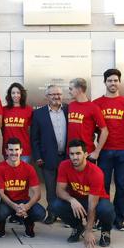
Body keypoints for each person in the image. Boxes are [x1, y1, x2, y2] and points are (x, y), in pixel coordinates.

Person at [49, 139, 115, 248]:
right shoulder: (64, 166)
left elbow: (92, 205)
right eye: (72, 154)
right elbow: (59, 191)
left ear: (85, 154)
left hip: (97, 201)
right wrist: (72, 200)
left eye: (78, 153)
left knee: (106, 209)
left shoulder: (96, 172)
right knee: (55, 205)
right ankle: (77, 227)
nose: (75, 157)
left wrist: (89, 231)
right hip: (77, 200)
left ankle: (105, 231)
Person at [92, 69, 124, 231]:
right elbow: (95, 127)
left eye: (115, 80)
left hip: (123, 150)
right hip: (104, 151)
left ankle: (119, 219)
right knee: (103, 186)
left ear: (119, 82)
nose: (113, 83)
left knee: (122, 186)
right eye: (109, 80)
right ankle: (103, 218)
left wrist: (122, 136)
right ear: (104, 82)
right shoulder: (97, 103)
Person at [31, 84, 68, 224]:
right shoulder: (38, 114)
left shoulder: (69, 111)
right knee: (51, 188)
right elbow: (34, 138)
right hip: (48, 158)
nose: (56, 97)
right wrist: (38, 157)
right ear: (47, 97)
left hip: (67, 158)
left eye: (58, 94)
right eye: (52, 94)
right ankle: (52, 213)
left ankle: (66, 215)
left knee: (66, 188)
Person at [0, 138, 45, 238]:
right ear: (6, 151)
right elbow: (1, 193)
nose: (14, 153)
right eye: (11, 150)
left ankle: (28, 224)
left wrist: (27, 206)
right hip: (7, 202)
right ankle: (0, 225)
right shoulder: (0, 168)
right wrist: (14, 206)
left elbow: (37, 193)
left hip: (23, 202)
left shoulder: (28, 168)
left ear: (21, 151)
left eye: (16, 150)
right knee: (1, 212)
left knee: (40, 213)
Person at [67, 78, 108, 163]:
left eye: (71, 89)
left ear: (79, 89)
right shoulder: (70, 105)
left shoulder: (93, 107)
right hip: (71, 153)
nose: (69, 91)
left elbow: (104, 131)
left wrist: (97, 152)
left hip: (86, 153)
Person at [2, 83, 32, 163]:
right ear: (9, 95)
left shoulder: (28, 110)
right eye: (13, 93)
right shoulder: (3, 110)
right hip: (8, 150)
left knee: (23, 175)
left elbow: (32, 131)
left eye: (18, 93)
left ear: (22, 94)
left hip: (24, 150)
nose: (16, 95)